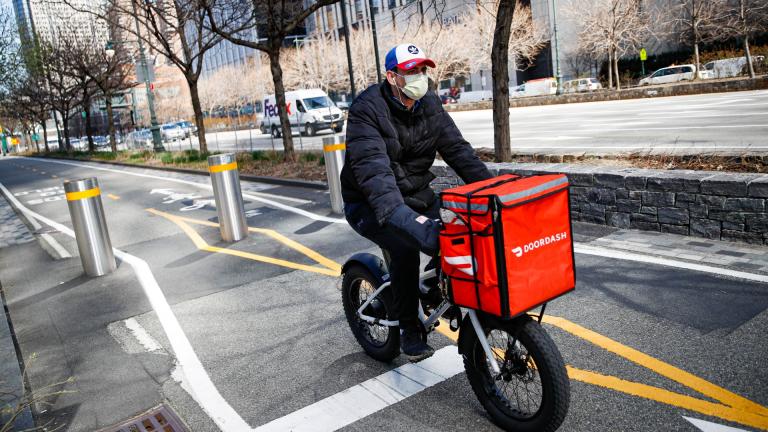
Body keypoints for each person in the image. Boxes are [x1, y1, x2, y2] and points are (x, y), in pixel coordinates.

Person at [340, 43, 492, 361]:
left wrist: (494, 192)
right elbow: (378, 184)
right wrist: (419, 229)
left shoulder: (429, 104)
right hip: (369, 202)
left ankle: (438, 290)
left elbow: (459, 153)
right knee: (406, 248)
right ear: (392, 77)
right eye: (411, 71)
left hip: (417, 194)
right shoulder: (366, 111)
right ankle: (410, 328)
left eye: (422, 70)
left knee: (461, 230)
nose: (420, 77)